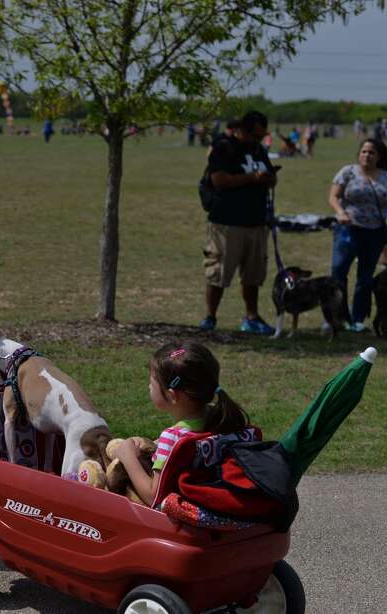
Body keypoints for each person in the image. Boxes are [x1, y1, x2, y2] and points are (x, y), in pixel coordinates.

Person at [113, 342, 251, 507]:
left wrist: (128, 457)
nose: (148, 386)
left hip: (177, 523)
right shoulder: (223, 418)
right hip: (219, 505)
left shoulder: (173, 437)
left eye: (152, 382)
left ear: (171, 395)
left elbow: (153, 496)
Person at [199, 110, 277, 334]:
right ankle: (210, 317)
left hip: (256, 222)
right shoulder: (223, 147)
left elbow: (271, 176)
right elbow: (219, 179)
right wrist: (252, 179)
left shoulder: (259, 150)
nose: (257, 140)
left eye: (261, 136)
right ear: (241, 130)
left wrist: (269, 179)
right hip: (227, 223)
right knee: (219, 272)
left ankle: (251, 318)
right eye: (254, 135)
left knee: (253, 275)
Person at [327, 138, 387, 332]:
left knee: (365, 278)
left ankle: (358, 318)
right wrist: (340, 212)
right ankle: (337, 317)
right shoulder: (347, 172)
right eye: (364, 151)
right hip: (348, 230)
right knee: (338, 272)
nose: (367, 155)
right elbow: (334, 196)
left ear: (379, 157)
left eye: (371, 152)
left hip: (375, 234)